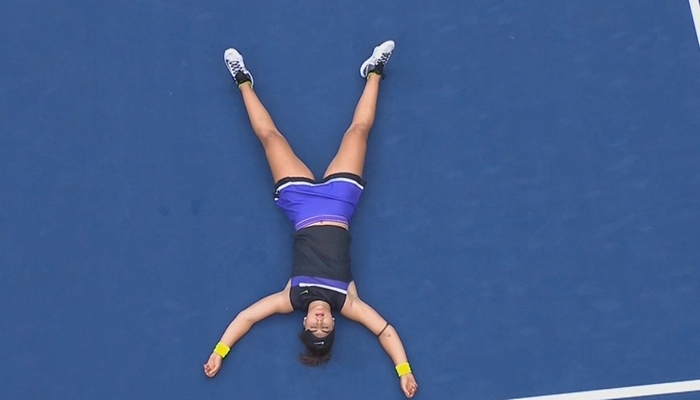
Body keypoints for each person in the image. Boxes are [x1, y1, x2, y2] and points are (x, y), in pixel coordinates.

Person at [203, 40, 418, 398]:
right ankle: (375, 71)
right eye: (325, 329)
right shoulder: (348, 302)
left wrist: (219, 352)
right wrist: (403, 370)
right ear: (333, 323)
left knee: (270, 138)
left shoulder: (292, 297)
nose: (319, 322)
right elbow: (385, 331)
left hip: (300, 206)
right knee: (358, 132)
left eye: (313, 328)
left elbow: (248, 317)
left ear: (304, 322)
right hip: (340, 204)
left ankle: (242, 79)